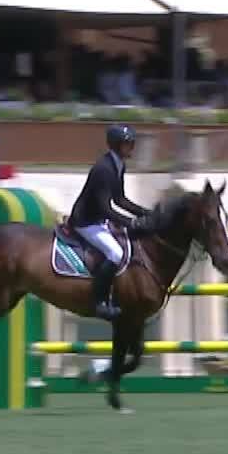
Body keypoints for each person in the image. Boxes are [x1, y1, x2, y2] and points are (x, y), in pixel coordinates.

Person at [68, 124, 151, 320]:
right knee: (115, 253)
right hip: (86, 222)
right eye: (128, 144)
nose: (131, 148)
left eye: (132, 144)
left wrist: (144, 213)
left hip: (99, 219)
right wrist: (130, 223)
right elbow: (105, 208)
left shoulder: (118, 164)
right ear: (116, 145)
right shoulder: (103, 169)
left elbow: (120, 199)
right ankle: (100, 302)